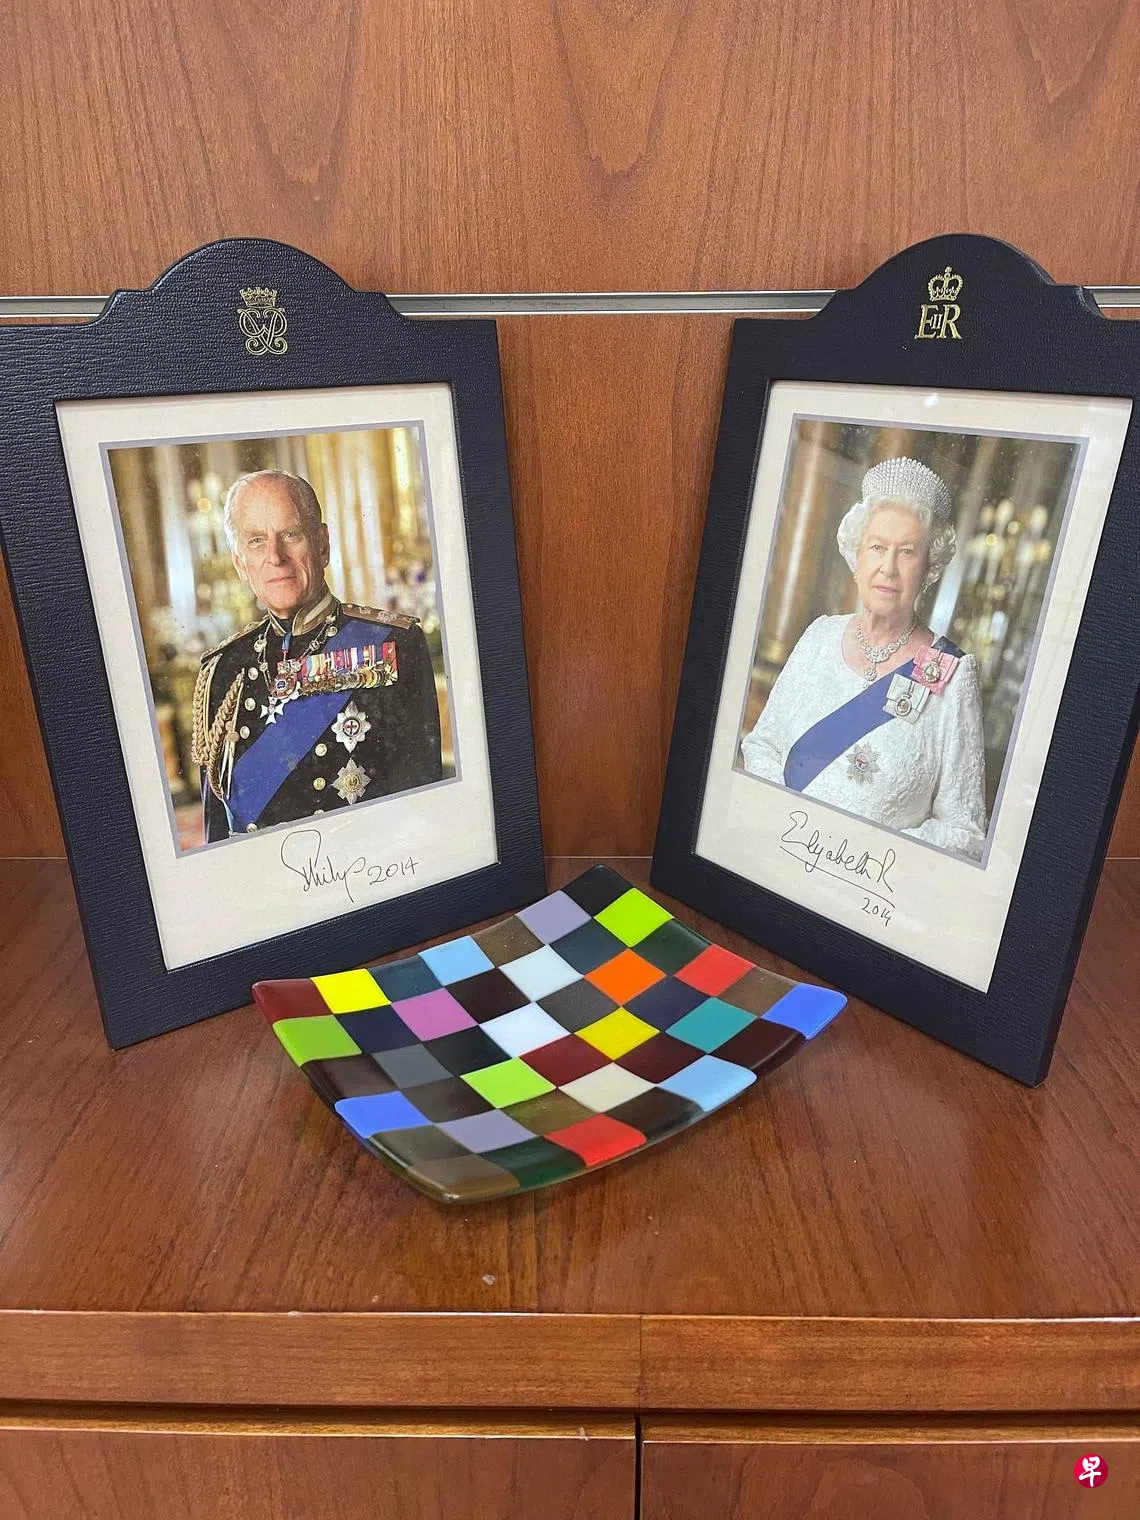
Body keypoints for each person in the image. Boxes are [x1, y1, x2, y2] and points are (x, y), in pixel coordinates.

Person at [740, 456, 987, 860]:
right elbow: (762, 745)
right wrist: (788, 824)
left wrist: (866, 852)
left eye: (907, 552)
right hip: (781, 851)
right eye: (877, 547)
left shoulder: (952, 674)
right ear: (857, 558)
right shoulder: (820, 637)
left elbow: (965, 832)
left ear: (929, 568)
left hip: (870, 881)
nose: (888, 567)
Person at [191, 470, 443, 840]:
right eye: (256, 541)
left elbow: (421, 810)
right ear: (240, 563)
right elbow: (218, 836)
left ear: (322, 545)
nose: (275, 557)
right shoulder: (222, 670)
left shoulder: (391, 644)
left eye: (290, 535)